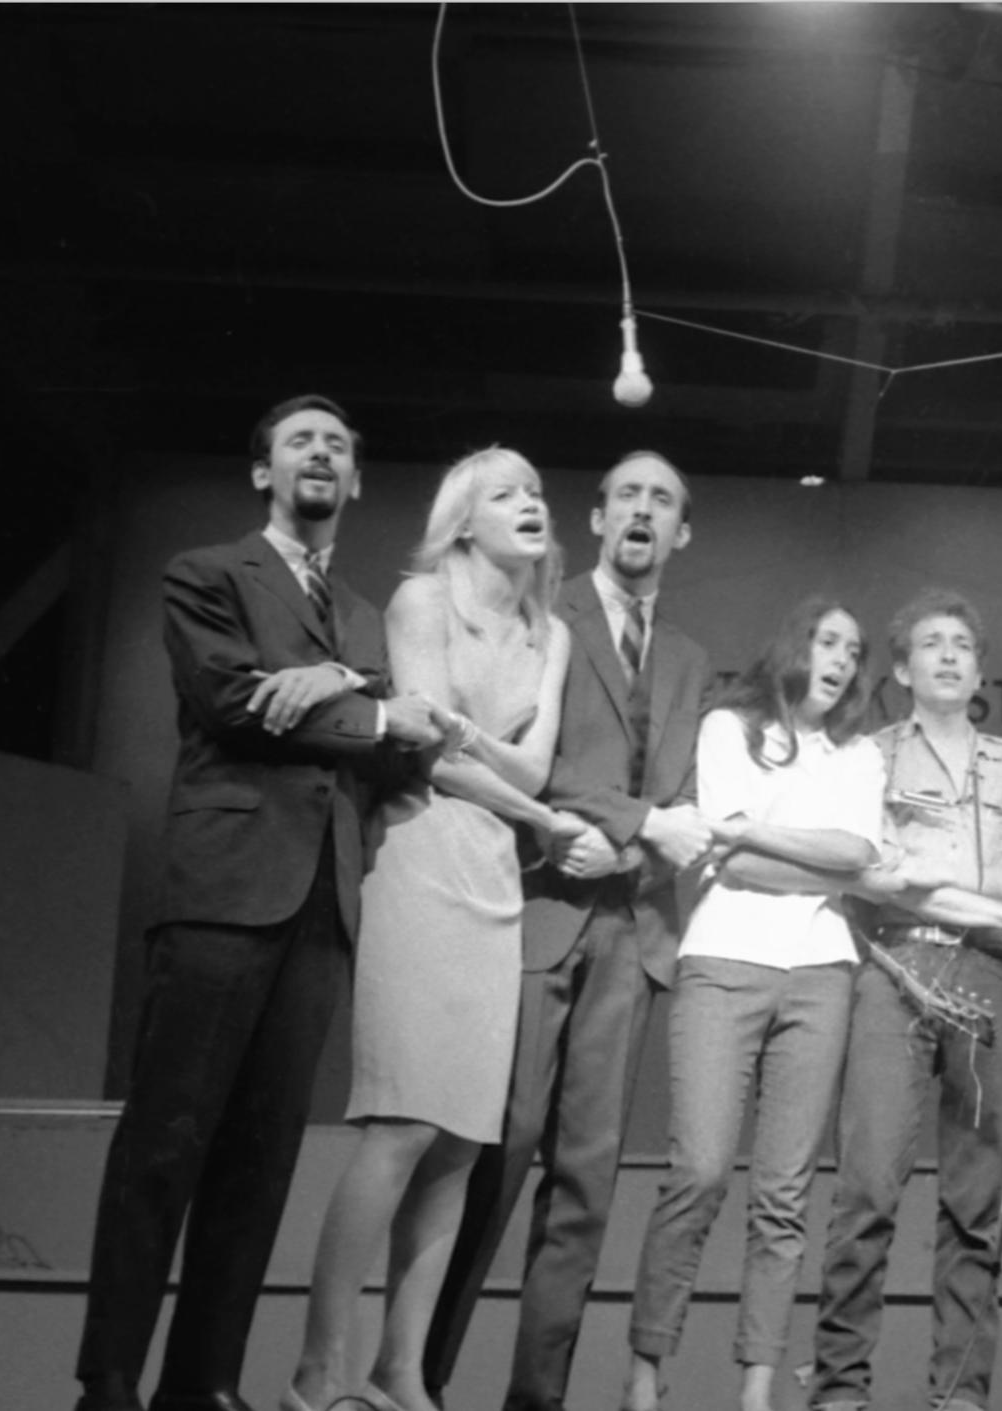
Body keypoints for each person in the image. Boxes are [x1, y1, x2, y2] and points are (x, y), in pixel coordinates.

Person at [71, 396, 456, 1411]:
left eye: (339, 444)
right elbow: (229, 698)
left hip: (323, 899)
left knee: (261, 1157)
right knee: (166, 1140)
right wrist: (364, 703)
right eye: (300, 441)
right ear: (263, 472)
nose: (322, 453)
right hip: (226, 885)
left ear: (358, 480)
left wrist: (339, 690)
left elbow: (409, 744)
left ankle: (204, 1383)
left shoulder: (368, 616)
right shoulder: (206, 572)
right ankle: (108, 1379)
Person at [286, 446, 581, 1411]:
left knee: (458, 1143)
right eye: (506, 494)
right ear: (464, 521)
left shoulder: (554, 634)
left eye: (536, 493)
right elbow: (428, 751)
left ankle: (398, 1373)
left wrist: (483, 749)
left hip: (494, 875)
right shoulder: (423, 599)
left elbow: (521, 765)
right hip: (423, 860)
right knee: (402, 1121)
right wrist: (535, 815)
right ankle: (317, 1372)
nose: (530, 505)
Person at [427, 451, 714, 1411]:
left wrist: (631, 848)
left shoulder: (687, 659)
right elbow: (531, 768)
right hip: (534, 912)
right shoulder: (542, 620)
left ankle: (534, 1400)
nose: (642, 510)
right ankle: (412, 1379)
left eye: (662, 500)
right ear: (594, 518)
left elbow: (679, 802)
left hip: (629, 933)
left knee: (586, 1185)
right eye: (626, 494)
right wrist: (630, 826)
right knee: (491, 1158)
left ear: (682, 532)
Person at [614, 596, 882, 1411]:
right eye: (827, 640)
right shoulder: (731, 726)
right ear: (794, 643)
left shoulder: (861, 754)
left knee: (785, 1191)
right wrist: (817, 858)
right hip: (725, 957)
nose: (840, 658)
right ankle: (644, 1375)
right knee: (696, 1169)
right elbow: (742, 863)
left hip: (822, 969)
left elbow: (856, 856)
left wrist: (758, 836)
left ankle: (757, 1388)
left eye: (853, 647)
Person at [810, 590, 1002, 1411]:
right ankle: (840, 1390)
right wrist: (913, 880)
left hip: (994, 972)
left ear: (979, 669)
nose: (948, 655)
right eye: (930, 644)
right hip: (896, 966)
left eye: (962, 644)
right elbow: (872, 877)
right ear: (905, 667)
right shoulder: (870, 754)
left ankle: (959, 1394)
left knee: (976, 1203)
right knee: (867, 1189)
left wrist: (936, 874)